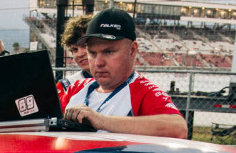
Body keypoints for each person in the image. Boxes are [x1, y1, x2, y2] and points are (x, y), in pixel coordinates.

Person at [63, 8, 188, 139]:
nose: (98, 62)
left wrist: (101, 121)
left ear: (132, 50)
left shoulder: (142, 91)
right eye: (92, 53)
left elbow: (178, 128)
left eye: (108, 52)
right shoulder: (75, 88)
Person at [57, 15, 93, 109]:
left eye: (84, 46)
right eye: (75, 49)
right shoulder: (66, 85)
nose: (79, 54)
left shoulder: (128, 81)